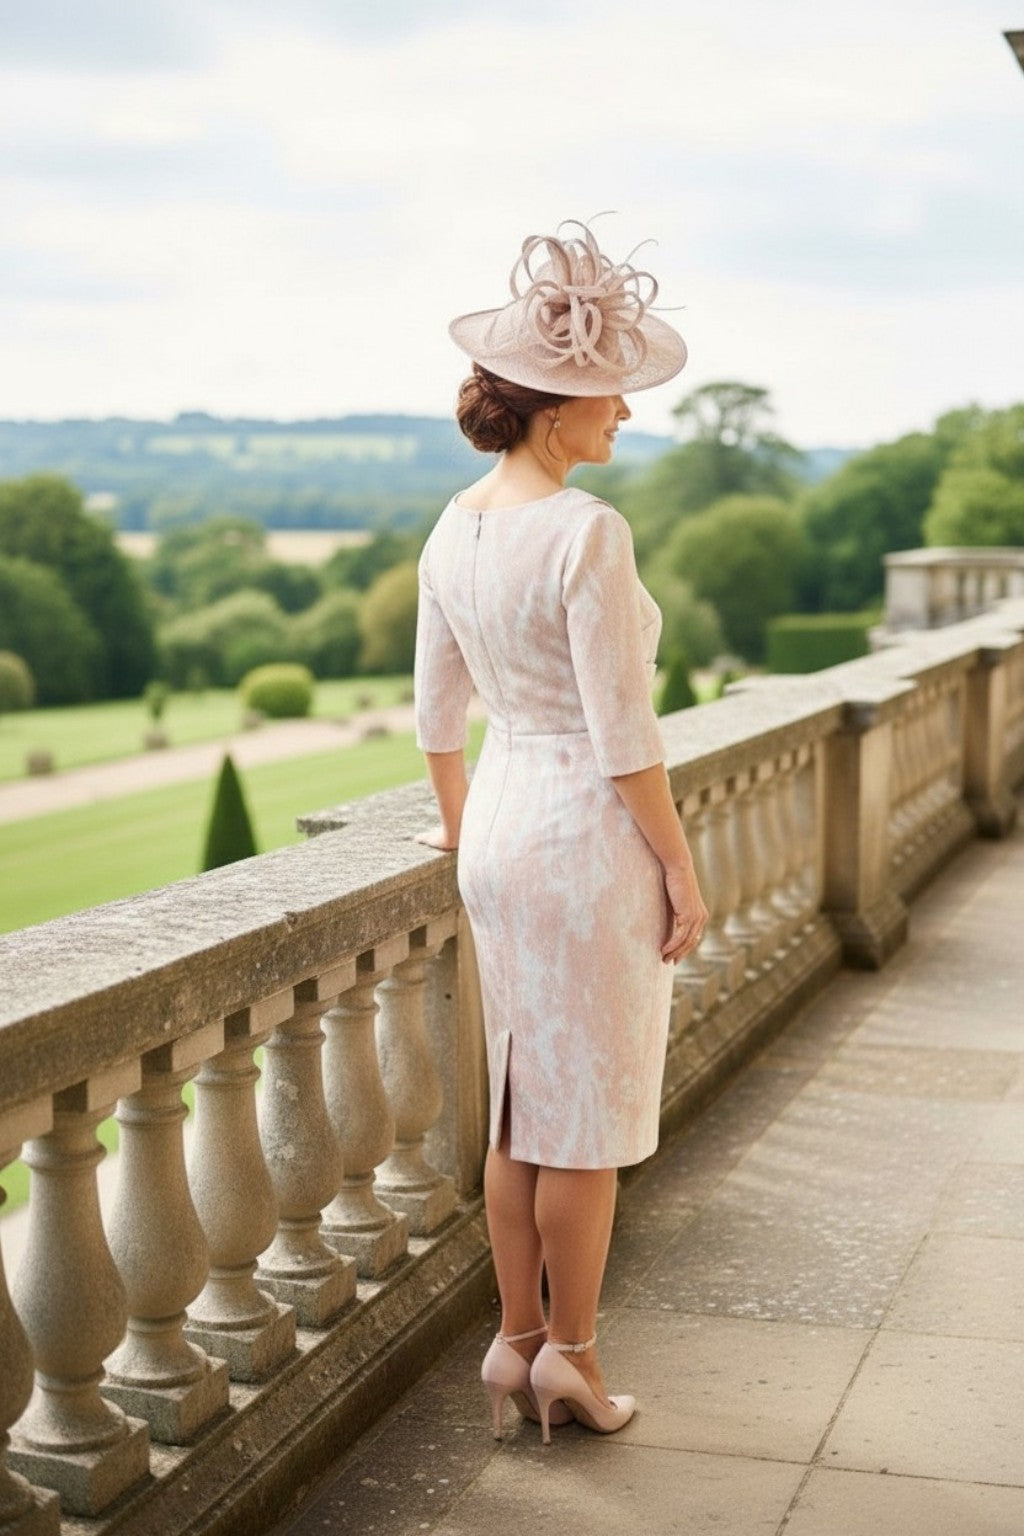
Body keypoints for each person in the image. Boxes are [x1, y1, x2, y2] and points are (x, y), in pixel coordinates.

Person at [413, 220, 707, 1444]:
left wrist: (460, 832)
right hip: (584, 832)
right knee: (578, 1116)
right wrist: (679, 867)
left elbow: (437, 714)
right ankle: (571, 1362)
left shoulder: (453, 524)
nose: (625, 415)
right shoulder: (586, 532)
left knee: (516, 1108)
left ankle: (514, 1340)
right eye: (610, 396)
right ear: (554, 411)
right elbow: (623, 732)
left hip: (499, 830)